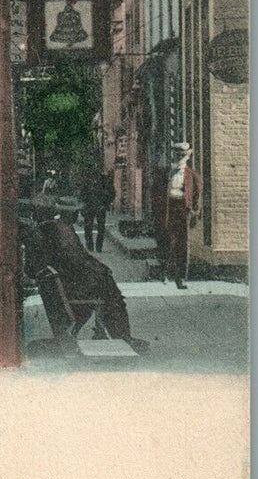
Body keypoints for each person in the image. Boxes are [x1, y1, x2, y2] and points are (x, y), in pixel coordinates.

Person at [34, 209, 149, 353]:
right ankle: (123, 337)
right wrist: (101, 270)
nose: (78, 213)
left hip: (65, 286)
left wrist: (100, 269)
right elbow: (78, 261)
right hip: (72, 289)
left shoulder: (52, 228)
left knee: (108, 288)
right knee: (112, 295)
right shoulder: (61, 230)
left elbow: (80, 259)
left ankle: (120, 336)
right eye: (75, 211)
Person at [163, 142, 202, 290]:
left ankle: (181, 278)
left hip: (183, 210)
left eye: (183, 155)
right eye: (177, 155)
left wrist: (194, 211)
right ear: (173, 155)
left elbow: (197, 193)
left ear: (188, 156)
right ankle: (166, 273)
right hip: (169, 209)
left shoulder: (192, 175)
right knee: (167, 240)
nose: (180, 157)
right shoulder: (167, 173)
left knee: (182, 244)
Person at [82, 169, 113, 253]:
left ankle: (99, 247)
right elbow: (82, 194)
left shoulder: (105, 181)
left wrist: (106, 204)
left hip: (100, 207)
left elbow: (112, 193)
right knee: (88, 227)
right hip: (89, 207)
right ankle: (89, 246)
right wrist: (84, 204)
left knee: (101, 228)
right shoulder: (87, 181)